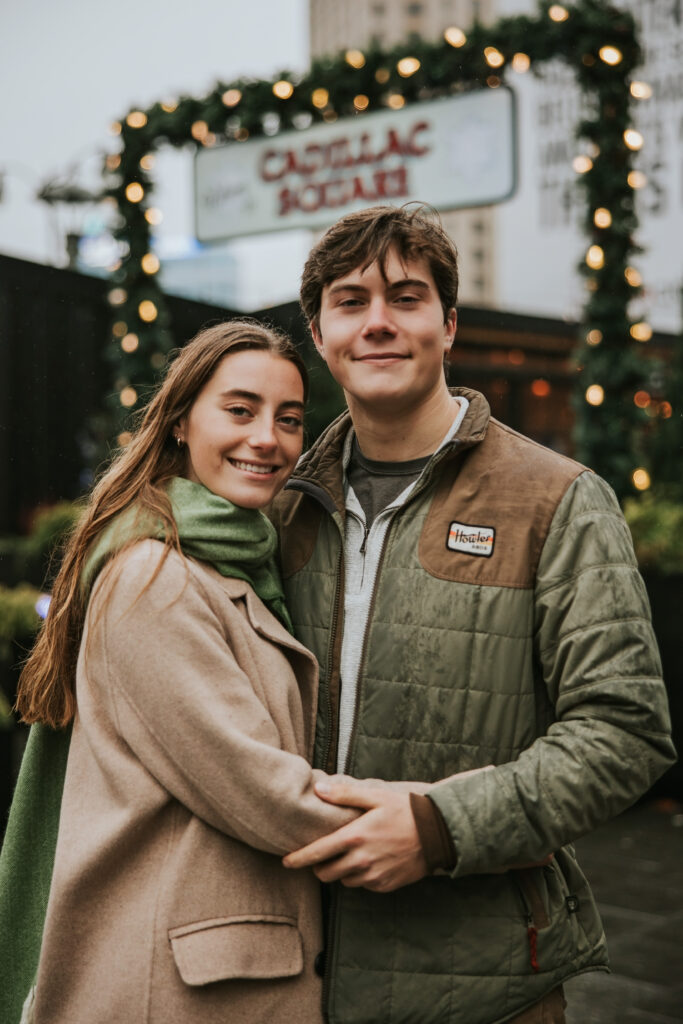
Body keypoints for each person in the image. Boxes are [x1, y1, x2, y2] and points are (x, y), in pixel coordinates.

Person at [270, 204, 676, 1024]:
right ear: (319, 335)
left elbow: (625, 732)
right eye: (349, 302)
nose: (377, 322)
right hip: (289, 978)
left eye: (405, 298)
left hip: (482, 985)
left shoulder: (556, 499)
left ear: (448, 325)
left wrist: (439, 826)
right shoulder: (280, 510)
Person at [2, 320, 393, 1024]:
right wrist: (434, 826)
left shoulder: (234, 557)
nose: (266, 438)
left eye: (288, 418)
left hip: (216, 967)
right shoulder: (156, 576)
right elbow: (256, 787)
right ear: (181, 421)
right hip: (178, 983)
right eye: (239, 410)